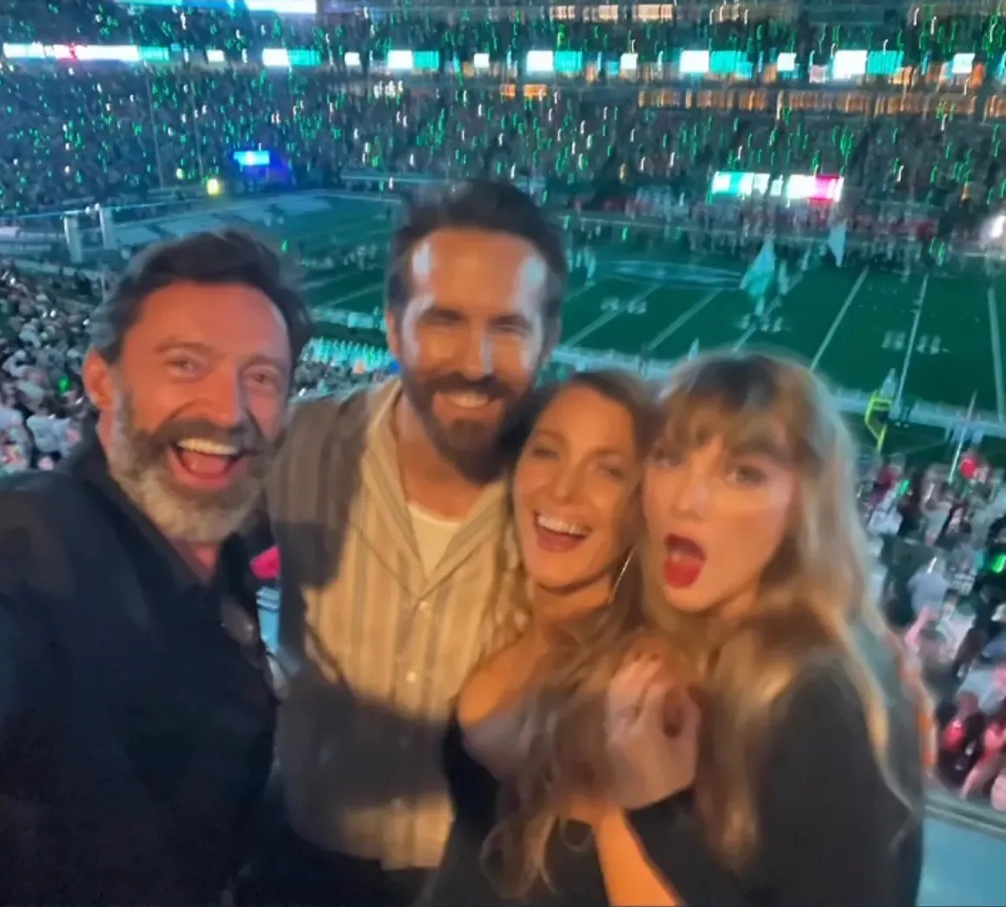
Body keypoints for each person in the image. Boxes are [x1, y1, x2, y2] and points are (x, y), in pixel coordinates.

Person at [259, 179, 566, 905]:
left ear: (548, 340)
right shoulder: (300, 445)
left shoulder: (579, 500)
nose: (477, 360)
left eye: (510, 327)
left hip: (483, 875)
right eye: (445, 320)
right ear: (394, 327)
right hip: (303, 848)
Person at [0, 229, 311, 904]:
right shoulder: (32, 546)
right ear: (102, 378)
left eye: (261, 376)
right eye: (186, 363)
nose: (229, 410)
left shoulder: (225, 545)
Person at [618, 352, 925, 906]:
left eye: (743, 473)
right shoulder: (727, 644)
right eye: (668, 458)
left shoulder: (823, 698)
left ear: (803, 506)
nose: (686, 500)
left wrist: (653, 809)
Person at [426, 371, 664, 905]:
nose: (562, 490)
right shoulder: (506, 620)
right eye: (548, 453)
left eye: (608, 471)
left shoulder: (643, 684)